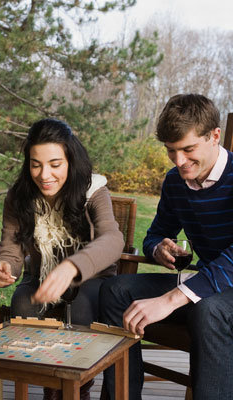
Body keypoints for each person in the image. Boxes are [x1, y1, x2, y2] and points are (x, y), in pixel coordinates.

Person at [99, 93, 233, 399]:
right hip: (208, 282)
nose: (179, 161)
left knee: (208, 310)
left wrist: (172, 299)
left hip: (223, 290)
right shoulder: (175, 182)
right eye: (171, 151)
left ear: (214, 136)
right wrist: (158, 247)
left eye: (188, 149)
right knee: (115, 290)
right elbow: (154, 234)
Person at [0, 118, 124, 400]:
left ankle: (76, 389)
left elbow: (113, 239)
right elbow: (11, 249)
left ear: (70, 160)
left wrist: (73, 267)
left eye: (55, 164)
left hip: (91, 280)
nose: (44, 174)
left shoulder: (93, 189)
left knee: (81, 305)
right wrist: (3, 266)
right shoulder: (18, 197)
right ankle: (53, 388)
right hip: (39, 277)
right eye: (35, 164)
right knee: (23, 302)